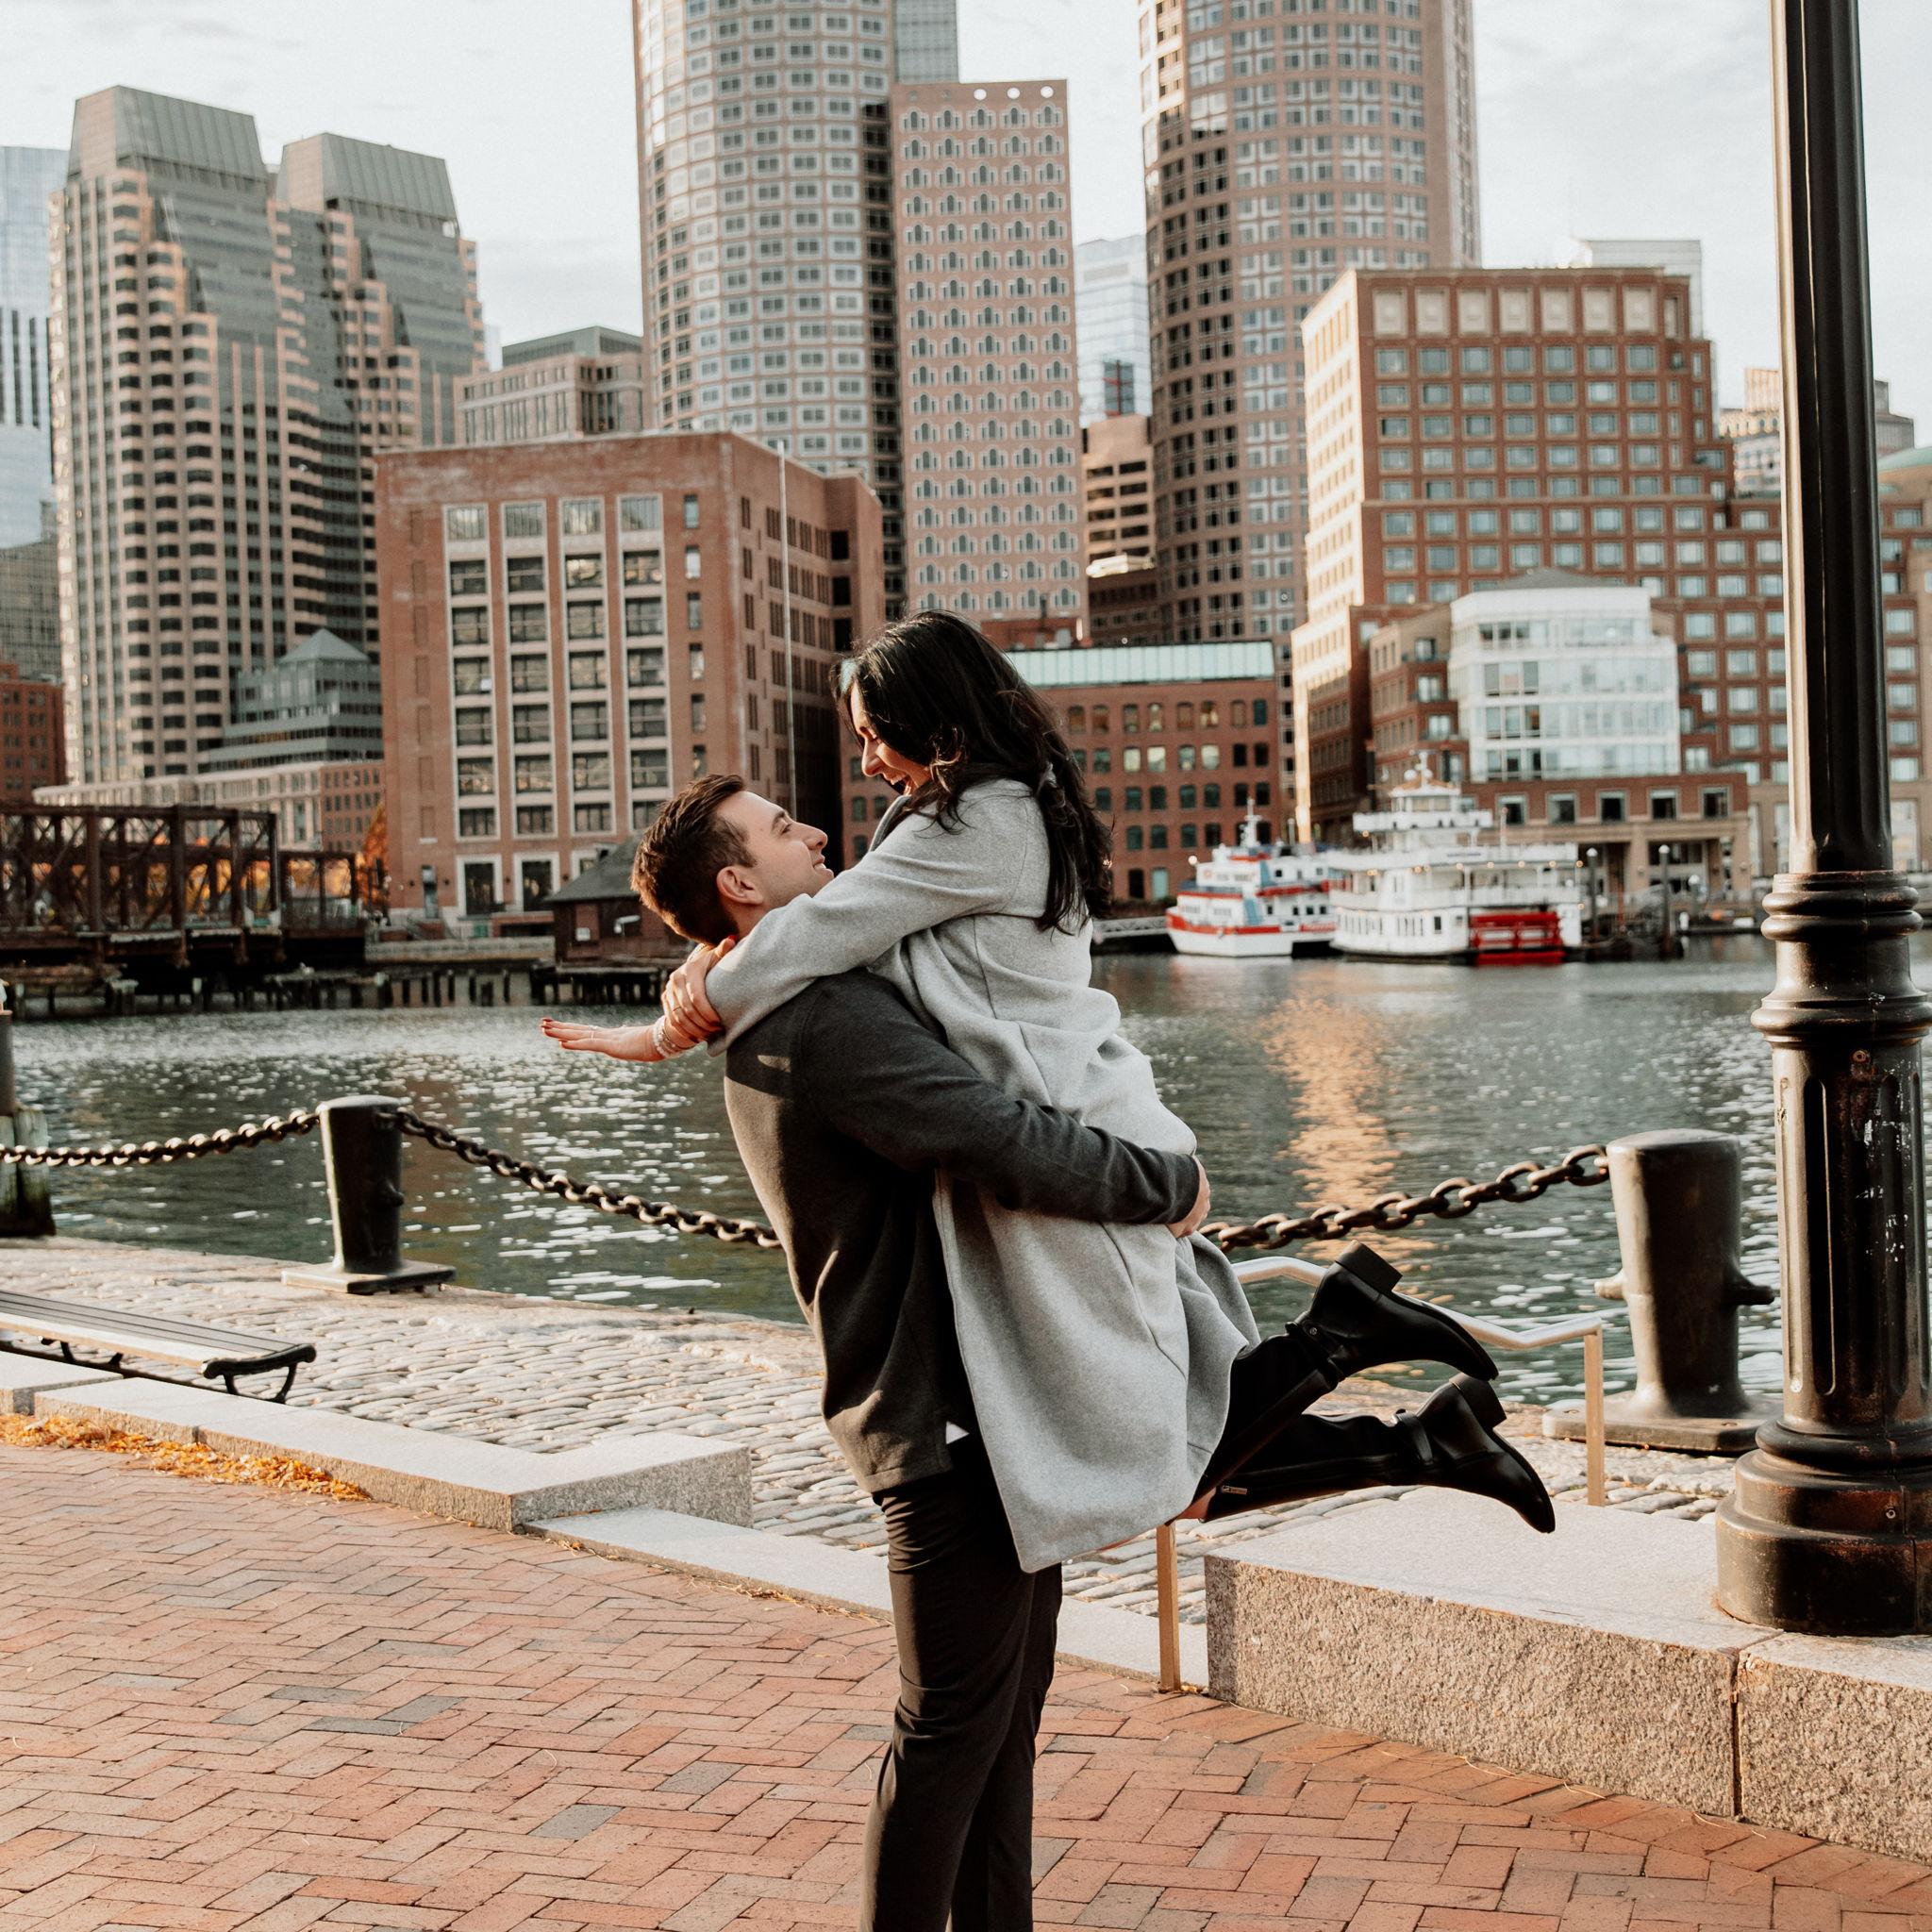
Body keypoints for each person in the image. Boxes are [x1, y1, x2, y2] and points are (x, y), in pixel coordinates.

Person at [545, 774, 1552, 1932]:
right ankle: (1349, 1353)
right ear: (737, 883)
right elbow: (994, 1136)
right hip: (945, 1419)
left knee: (996, 1729)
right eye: (782, 829)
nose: (818, 831)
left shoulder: (785, 999)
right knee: (949, 1734)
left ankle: (1364, 1372)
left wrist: (701, 986)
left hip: (974, 1399)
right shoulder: (820, 1019)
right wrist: (1163, 1180)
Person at [634, 612, 1500, 1563]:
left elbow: (821, 930)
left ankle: (1346, 1335)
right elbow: (836, 929)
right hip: (1079, 1113)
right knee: (1164, 1445)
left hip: (1070, 1135)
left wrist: (680, 1012)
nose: (868, 760)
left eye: (875, 733)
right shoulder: (979, 808)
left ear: (931, 718)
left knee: (1154, 1448)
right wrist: (712, 951)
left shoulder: (978, 819)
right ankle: (1413, 1421)